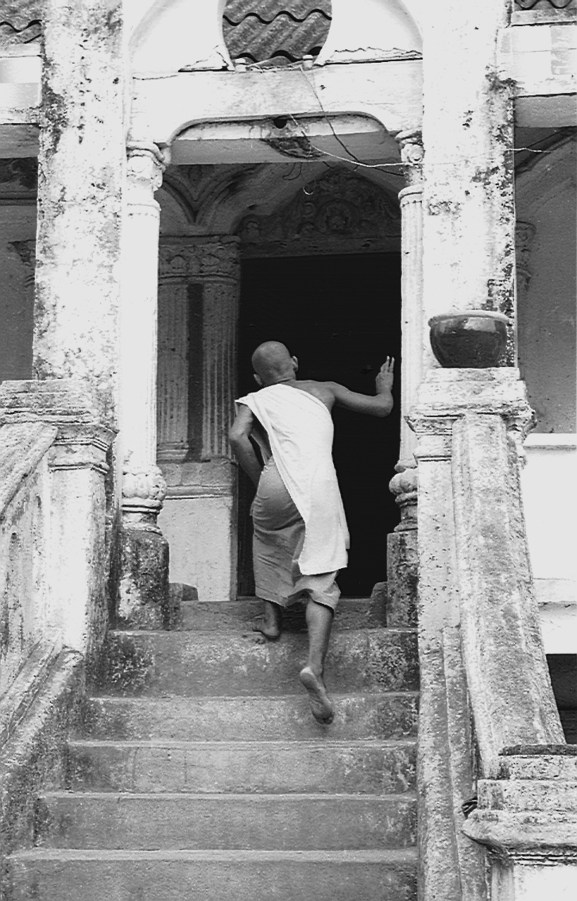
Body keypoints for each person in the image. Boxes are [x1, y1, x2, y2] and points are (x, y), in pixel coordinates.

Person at [229, 341, 395, 724]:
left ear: (259, 377)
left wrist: (260, 477)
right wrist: (384, 384)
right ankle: (313, 668)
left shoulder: (254, 397)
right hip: (318, 485)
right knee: (321, 571)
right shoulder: (326, 389)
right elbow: (382, 408)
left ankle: (271, 621)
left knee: (269, 538)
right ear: (295, 364)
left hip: (275, 482)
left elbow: (238, 436)